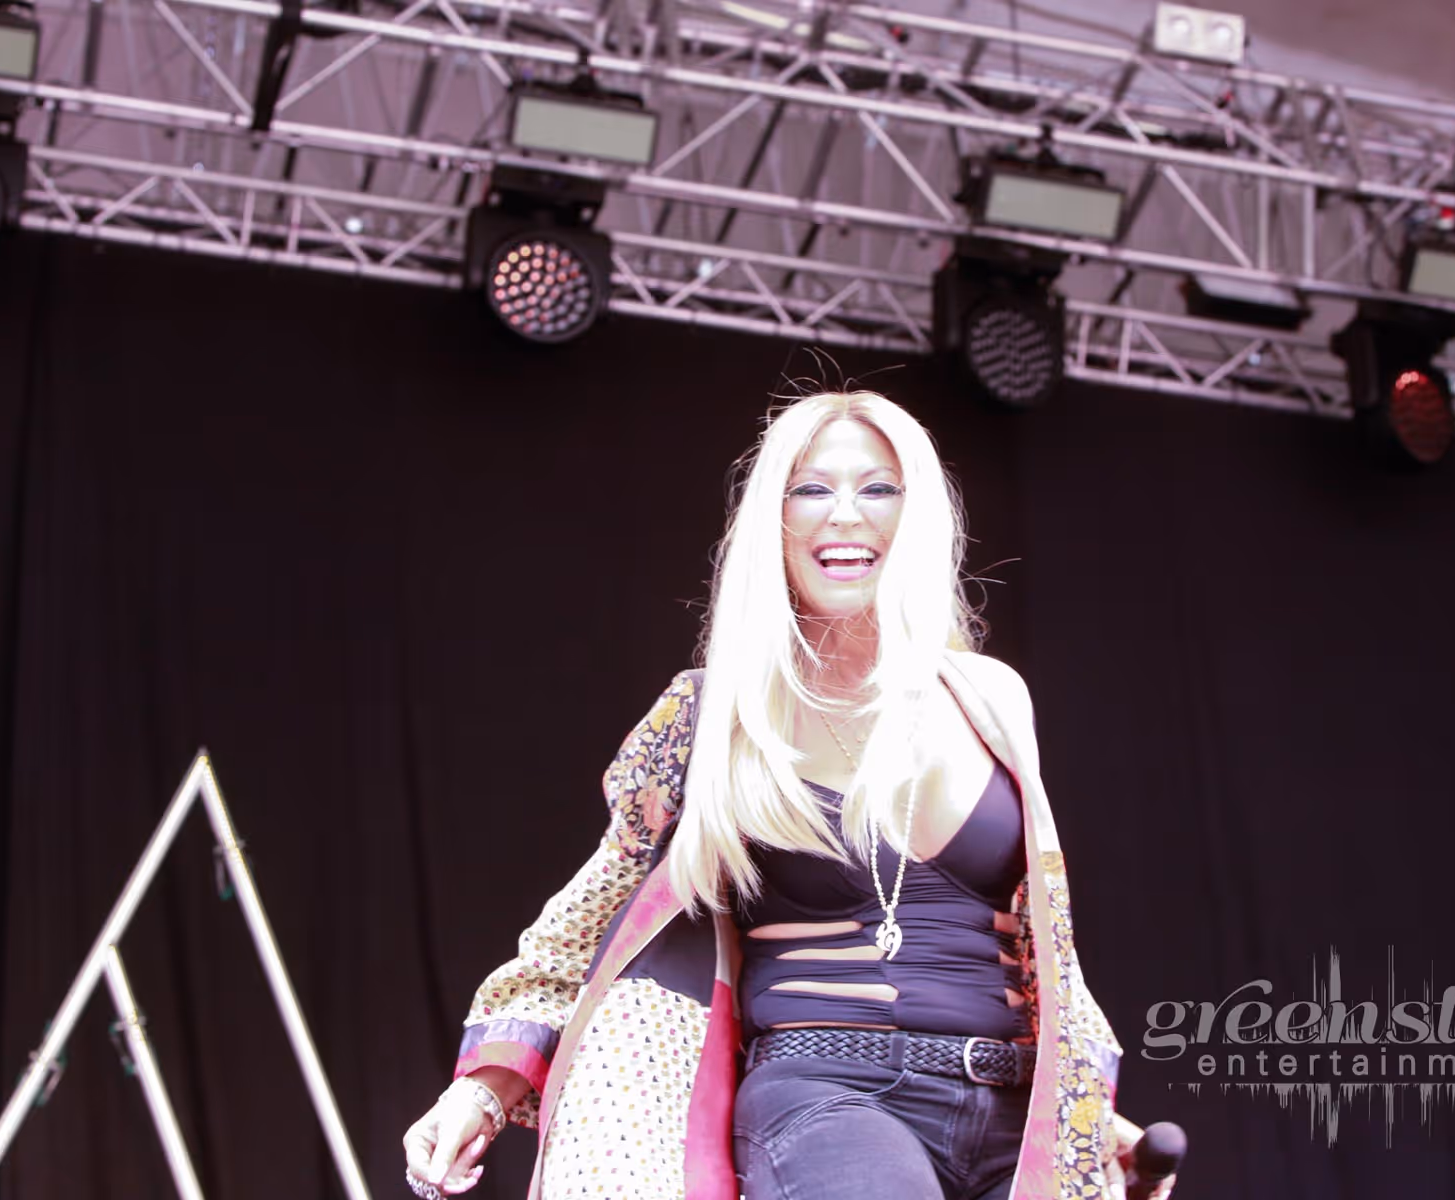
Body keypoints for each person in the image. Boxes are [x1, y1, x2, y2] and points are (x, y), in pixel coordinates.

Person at [402, 391, 1177, 1200]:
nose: (844, 513)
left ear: (918, 515)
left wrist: (1086, 1110)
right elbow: (589, 926)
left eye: (878, 488)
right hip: (827, 1095)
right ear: (772, 521)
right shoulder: (712, 717)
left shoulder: (994, 698)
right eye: (810, 489)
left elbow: (1046, 950)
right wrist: (483, 1091)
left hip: (1012, 1107)